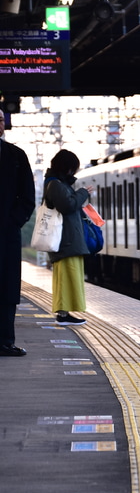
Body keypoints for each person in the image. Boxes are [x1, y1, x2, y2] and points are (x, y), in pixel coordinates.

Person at [44, 149, 93, 326]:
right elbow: (67, 205)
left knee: (68, 276)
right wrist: (82, 193)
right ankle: (63, 315)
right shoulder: (55, 184)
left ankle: (65, 313)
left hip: (68, 239)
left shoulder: (58, 183)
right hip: (65, 240)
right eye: (73, 169)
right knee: (65, 276)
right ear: (68, 169)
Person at [0, 113, 35, 356]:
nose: (0, 124)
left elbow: (28, 196)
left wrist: (13, 223)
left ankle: (5, 342)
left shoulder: (15, 156)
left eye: (1, 120)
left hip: (6, 234)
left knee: (7, 288)